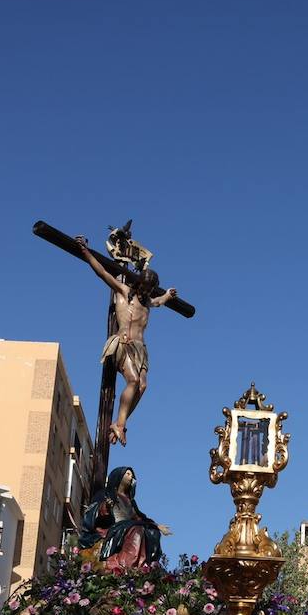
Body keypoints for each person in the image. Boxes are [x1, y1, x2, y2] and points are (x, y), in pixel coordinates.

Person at [74, 235, 177, 446]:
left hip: (141, 350)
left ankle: (120, 423)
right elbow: (102, 273)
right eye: (145, 287)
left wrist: (167, 295)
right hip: (124, 343)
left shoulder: (148, 302)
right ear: (139, 283)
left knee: (142, 386)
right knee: (133, 381)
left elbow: (158, 301)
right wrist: (85, 251)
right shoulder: (124, 292)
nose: (147, 292)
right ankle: (119, 424)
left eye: (150, 289)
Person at [79, 466, 170, 571]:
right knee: (137, 530)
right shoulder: (106, 494)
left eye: (132, 476)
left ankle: (145, 565)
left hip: (127, 527)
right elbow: (94, 512)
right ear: (119, 476)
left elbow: (139, 518)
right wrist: (106, 507)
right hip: (112, 529)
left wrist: (157, 526)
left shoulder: (130, 502)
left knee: (153, 533)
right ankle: (124, 565)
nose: (131, 477)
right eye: (128, 474)